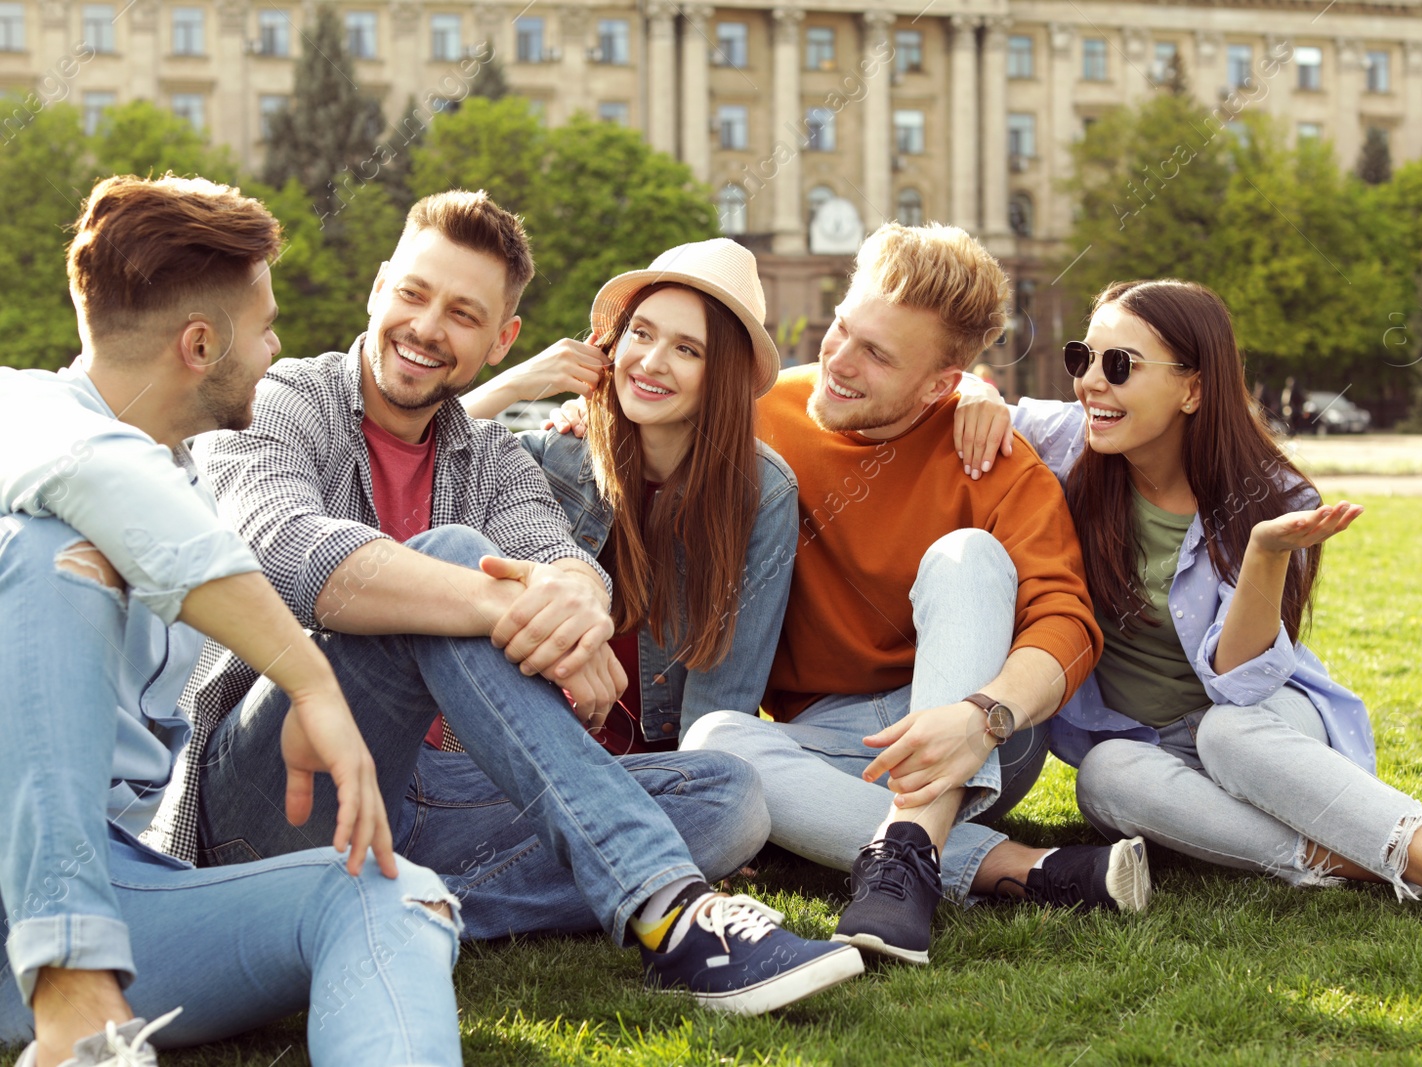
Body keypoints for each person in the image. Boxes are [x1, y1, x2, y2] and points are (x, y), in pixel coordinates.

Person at [182, 190, 860, 1016]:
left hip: (435, 792)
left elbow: (566, 562)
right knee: (458, 559)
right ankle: (671, 910)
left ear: (500, 337)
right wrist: (499, 602)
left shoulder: (495, 458)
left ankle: (410, 904)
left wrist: (574, 597)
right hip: (274, 787)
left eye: (464, 313)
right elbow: (284, 550)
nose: (429, 327)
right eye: (415, 294)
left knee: (727, 796)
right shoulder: (285, 399)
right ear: (379, 286)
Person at [551, 223, 1150, 967]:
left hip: (978, 734)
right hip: (828, 744)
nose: (839, 360)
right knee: (716, 746)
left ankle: (908, 851)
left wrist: (980, 714)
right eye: (842, 329)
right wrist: (587, 412)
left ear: (940, 383)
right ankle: (1004, 865)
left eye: (878, 354)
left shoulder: (995, 459)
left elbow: (1068, 624)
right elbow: (650, 408)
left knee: (968, 555)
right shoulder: (759, 415)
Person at [953, 277, 1422, 955]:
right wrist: (975, 393)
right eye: (1083, 357)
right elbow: (956, 390)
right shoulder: (1065, 440)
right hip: (1146, 747)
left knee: (1226, 733)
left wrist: (1264, 553)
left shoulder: (1271, 493)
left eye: (1120, 366)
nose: (1091, 383)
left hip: (1266, 723)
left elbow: (1241, 685)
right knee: (1103, 776)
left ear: (1192, 388)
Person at [0, 175, 464, 1067]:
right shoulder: (24, 411)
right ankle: (72, 994)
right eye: (267, 327)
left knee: (389, 892)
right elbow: (107, 485)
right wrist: (308, 679)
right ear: (201, 343)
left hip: (116, 878)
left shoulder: (192, 478)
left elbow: (154, 503)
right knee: (53, 553)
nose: (278, 347)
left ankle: (84, 997)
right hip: (22, 867)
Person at [379, 238, 802, 941]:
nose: (651, 361)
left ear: (720, 373)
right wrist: (518, 382)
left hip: (649, 777)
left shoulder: (763, 492)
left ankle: (437, 903)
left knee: (737, 802)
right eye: (640, 334)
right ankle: (626, 873)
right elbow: (425, 461)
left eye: (687, 350)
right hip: (518, 763)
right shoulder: (558, 452)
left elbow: (722, 701)